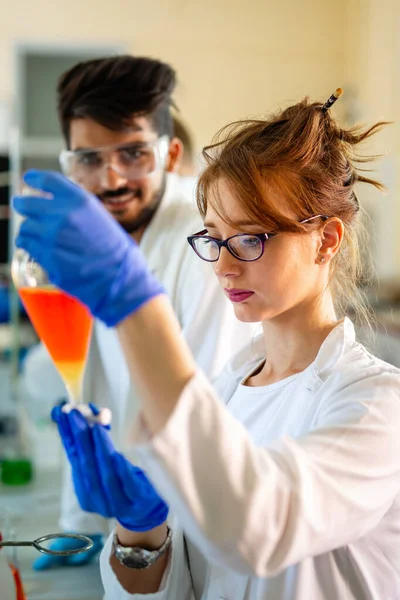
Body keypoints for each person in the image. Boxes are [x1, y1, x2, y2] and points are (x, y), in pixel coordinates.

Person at [13, 91, 400, 599]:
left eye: (249, 237)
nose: (223, 264)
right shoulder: (222, 393)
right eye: (214, 238)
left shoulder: (376, 405)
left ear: (326, 240)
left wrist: (134, 301)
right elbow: (182, 589)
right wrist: (140, 534)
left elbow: (257, 527)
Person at [22, 55, 253, 571]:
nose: (110, 178)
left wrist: (145, 524)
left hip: (203, 524)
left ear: (170, 154)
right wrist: (77, 524)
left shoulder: (202, 240)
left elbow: (206, 402)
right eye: (87, 158)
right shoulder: (102, 242)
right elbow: (89, 379)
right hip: (131, 531)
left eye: (132, 154)